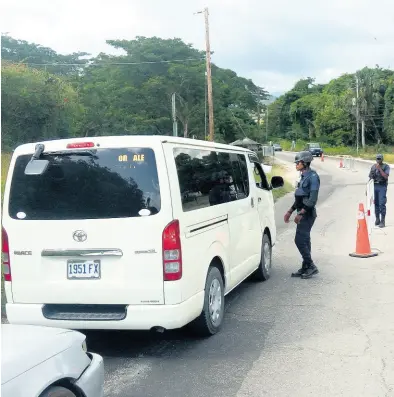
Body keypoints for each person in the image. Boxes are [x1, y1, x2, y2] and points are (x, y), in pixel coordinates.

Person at [284, 151, 320, 279]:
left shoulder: (313, 177)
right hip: (302, 211)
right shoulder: (303, 176)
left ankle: (311, 266)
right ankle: (305, 266)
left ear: (304, 163)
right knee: (305, 240)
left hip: (308, 214)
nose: (296, 164)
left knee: (299, 240)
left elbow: (312, 199)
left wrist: (301, 213)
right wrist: (290, 211)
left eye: (298, 162)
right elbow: (299, 198)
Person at [369, 154, 390, 228]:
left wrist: (380, 169)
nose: (378, 160)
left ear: (382, 159)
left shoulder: (386, 167)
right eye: (377, 159)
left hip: (382, 186)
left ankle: (382, 221)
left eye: (379, 159)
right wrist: (367, 189)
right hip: (375, 186)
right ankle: (377, 218)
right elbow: (370, 178)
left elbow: (386, 176)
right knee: (376, 203)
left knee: (382, 203)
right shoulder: (373, 167)